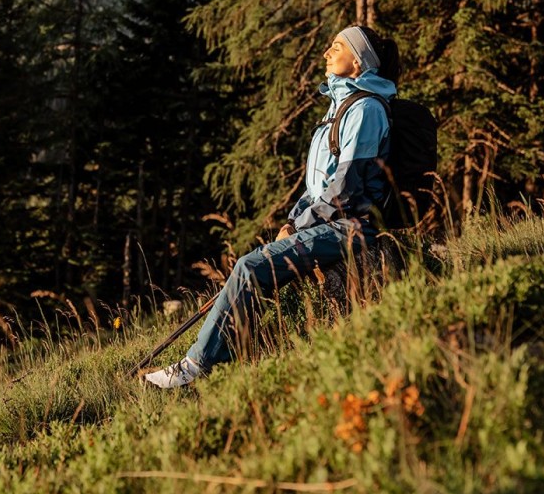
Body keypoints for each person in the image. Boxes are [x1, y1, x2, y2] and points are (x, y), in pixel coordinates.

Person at [144, 25, 400, 389]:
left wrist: (300, 226)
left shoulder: (366, 110)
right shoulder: (341, 107)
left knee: (250, 267)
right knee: (253, 266)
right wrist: (293, 221)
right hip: (329, 222)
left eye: (336, 46)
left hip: (352, 227)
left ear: (358, 62)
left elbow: (345, 188)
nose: (326, 53)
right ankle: (223, 357)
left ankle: (195, 368)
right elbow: (317, 187)